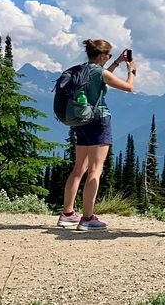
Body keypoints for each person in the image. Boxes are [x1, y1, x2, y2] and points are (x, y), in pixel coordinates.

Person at [58, 39, 136, 231]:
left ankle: (67, 214)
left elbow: (102, 75)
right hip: (99, 121)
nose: (109, 57)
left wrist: (116, 62)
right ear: (101, 56)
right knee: (95, 170)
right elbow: (128, 87)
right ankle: (88, 218)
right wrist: (132, 71)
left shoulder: (81, 70)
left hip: (82, 120)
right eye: (108, 55)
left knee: (78, 169)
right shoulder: (100, 72)